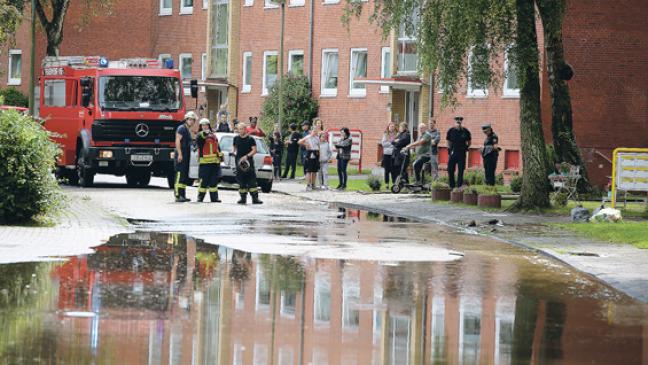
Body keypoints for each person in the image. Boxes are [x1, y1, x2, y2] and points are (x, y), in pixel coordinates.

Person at [232, 123, 263, 204]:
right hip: (239, 162)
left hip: (248, 162)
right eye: (239, 129)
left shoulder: (250, 139)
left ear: (245, 129)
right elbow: (234, 148)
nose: (240, 131)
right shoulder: (236, 138)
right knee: (241, 181)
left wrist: (247, 156)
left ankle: (255, 198)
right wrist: (233, 152)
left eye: (242, 129)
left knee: (251, 181)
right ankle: (243, 198)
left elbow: (254, 150)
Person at [195, 118, 223, 203]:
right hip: (204, 163)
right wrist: (205, 133)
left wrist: (220, 156)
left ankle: (214, 198)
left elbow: (217, 147)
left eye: (206, 125)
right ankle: (200, 198)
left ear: (209, 125)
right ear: (200, 126)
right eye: (203, 125)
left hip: (214, 163)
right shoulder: (200, 135)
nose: (205, 126)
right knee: (203, 182)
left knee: (213, 182)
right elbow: (201, 137)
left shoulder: (213, 135)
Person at [174, 111, 198, 202]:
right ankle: (177, 195)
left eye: (193, 120)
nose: (191, 122)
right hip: (181, 155)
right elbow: (177, 141)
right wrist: (180, 154)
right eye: (190, 120)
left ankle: (183, 195)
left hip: (186, 155)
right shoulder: (181, 128)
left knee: (184, 176)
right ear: (186, 119)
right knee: (179, 175)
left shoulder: (188, 130)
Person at [446, 116, 472, 189]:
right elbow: (448, 141)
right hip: (453, 151)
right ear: (455, 122)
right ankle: (452, 186)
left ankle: (459, 186)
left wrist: (466, 147)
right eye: (457, 121)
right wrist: (449, 149)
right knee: (450, 169)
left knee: (461, 170)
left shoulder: (465, 131)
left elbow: (469, 142)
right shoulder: (451, 130)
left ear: (461, 122)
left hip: (462, 152)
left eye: (460, 121)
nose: (458, 122)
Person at [381, 122, 398, 187]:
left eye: (393, 126)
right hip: (386, 154)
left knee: (393, 169)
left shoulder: (396, 134)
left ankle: (394, 183)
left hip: (393, 154)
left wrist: (390, 143)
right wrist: (392, 143)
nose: (392, 128)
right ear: (388, 127)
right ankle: (387, 183)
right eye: (390, 126)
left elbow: (397, 144)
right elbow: (383, 144)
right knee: (387, 169)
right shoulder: (385, 134)